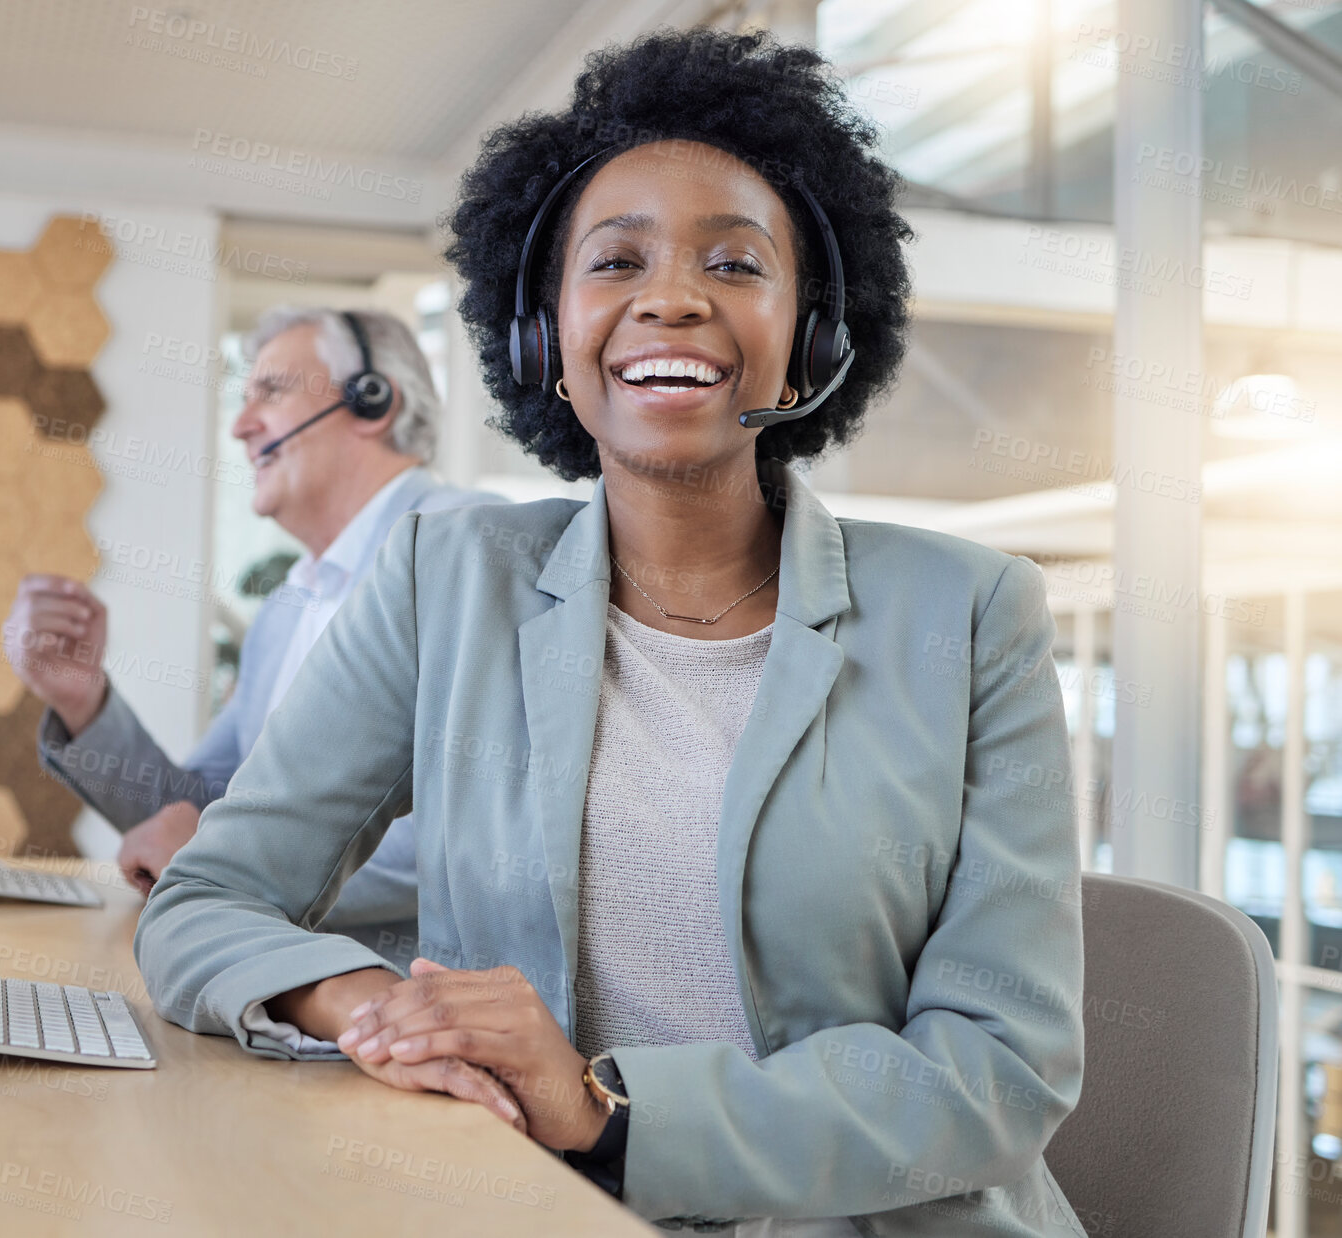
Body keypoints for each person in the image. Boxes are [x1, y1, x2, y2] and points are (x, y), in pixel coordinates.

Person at [135, 29, 1087, 1235]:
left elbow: (1000, 1071)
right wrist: (366, 1000)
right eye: (616, 259)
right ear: (544, 335)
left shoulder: (970, 613)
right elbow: (205, 897)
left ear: (814, 333)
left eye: (736, 263)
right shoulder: (447, 579)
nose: (672, 295)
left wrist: (606, 1113)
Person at [4, 307, 504, 949]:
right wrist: (83, 700)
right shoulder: (286, 606)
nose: (241, 427)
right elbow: (190, 809)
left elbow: (466, 837)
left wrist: (227, 867)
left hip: (414, 1001)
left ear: (372, 402)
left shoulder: (465, 544)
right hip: (282, 984)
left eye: (269, 392)